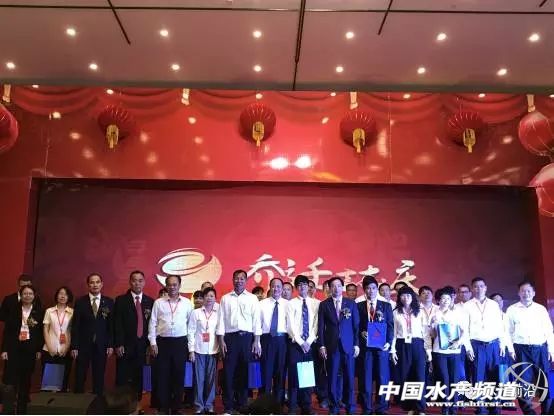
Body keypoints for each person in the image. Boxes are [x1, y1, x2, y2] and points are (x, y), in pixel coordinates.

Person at [464, 277, 512, 415]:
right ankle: (481, 408)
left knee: (495, 376)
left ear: (485, 288)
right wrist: (468, 347)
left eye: (481, 286)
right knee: (478, 377)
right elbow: (464, 329)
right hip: (476, 345)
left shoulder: (493, 305)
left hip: (493, 345)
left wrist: (502, 344)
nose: (478, 289)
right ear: (472, 289)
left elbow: (499, 326)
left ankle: (494, 407)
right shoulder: (467, 306)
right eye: (476, 286)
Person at [216, 269, 262, 414]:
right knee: (229, 372)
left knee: (244, 372)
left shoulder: (252, 298)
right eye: (236, 278)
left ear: (246, 281)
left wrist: (256, 341)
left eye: (242, 278)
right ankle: (228, 406)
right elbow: (221, 320)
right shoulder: (225, 298)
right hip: (230, 339)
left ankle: (242, 404)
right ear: (233, 280)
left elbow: (256, 320)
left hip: (247, 339)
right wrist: (221, 340)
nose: (239, 281)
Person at [505, 281, 553, 414]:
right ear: (518, 293)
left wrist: (551, 350)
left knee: (544, 382)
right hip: (521, 350)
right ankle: (529, 412)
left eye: (528, 291)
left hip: (540, 349)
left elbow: (549, 330)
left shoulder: (540, 309)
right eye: (523, 291)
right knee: (522, 383)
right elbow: (507, 332)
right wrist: (511, 349)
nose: (526, 293)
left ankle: (547, 412)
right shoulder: (512, 310)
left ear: (533, 293)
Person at [148, 275, 193, 414]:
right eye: (169, 284)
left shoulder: (187, 303)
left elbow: (191, 327)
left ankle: (176, 407)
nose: (172, 287)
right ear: (166, 286)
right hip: (163, 343)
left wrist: (191, 348)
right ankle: (163, 406)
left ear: (179, 285)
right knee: (163, 375)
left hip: (180, 343)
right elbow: (152, 323)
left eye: (175, 284)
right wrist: (153, 343)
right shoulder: (158, 303)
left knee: (179, 375)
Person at [318, 277, 360, 415]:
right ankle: (334, 407)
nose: (336, 288)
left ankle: (350, 407)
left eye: (338, 285)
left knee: (349, 377)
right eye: (333, 286)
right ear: (330, 288)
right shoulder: (324, 305)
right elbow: (320, 327)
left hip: (348, 346)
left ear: (342, 288)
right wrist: (322, 345)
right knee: (332, 378)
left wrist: (356, 344)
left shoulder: (351, 304)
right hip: (332, 346)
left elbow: (356, 326)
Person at [1, 285, 43, 414]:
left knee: (26, 381)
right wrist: (4, 350)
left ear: (34, 296)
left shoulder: (38, 311)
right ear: (21, 295)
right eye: (25, 293)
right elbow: (7, 332)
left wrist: (38, 350)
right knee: (11, 381)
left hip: (30, 350)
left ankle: (22, 410)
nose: (27, 296)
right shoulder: (14, 310)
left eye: (30, 293)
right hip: (14, 348)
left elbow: (40, 333)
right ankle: (9, 410)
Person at [114, 270, 154, 402]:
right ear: (130, 282)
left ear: (144, 282)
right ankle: (121, 405)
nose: (137, 283)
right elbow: (117, 323)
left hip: (142, 346)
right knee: (123, 376)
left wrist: (150, 345)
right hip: (125, 345)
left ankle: (137, 404)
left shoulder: (150, 301)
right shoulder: (121, 300)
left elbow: (152, 325)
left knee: (139, 376)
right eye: (134, 280)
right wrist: (119, 343)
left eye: (140, 280)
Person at [390, 286, 432, 414]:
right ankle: (409, 407)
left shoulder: (420, 311)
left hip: (417, 344)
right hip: (402, 345)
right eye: (402, 295)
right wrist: (392, 350)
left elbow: (426, 333)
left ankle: (420, 407)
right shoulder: (395, 312)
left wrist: (428, 350)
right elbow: (393, 333)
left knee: (419, 376)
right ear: (399, 298)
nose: (405, 298)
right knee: (405, 376)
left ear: (413, 297)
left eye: (408, 295)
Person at [71, 273, 114, 395]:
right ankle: (78, 401)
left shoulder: (109, 302)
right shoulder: (80, 302)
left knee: (99, 375)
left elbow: (111, 326)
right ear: (88, 285)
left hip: (101, 345)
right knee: (80, 375)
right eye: (92, 282)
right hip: (83, 345)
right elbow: (75, 326)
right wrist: (74, 346)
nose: (95, 285)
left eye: (97, 282)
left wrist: (110, 344)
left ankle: (97, 401)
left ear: (102, 284)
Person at [430, 288, 469, 415]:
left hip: (454, 351)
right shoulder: (434, 314)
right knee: (443, 378)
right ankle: (445, 406)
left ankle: (454, 407)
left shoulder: (457, 314)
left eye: (448, 298)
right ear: (438, 300)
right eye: (443, 298)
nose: (445, 301)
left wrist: (458, 342)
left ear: (451, 300)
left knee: (454, 379)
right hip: (439, 351)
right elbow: (432, 335)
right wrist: (432, 326)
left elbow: (464, 331)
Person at [357, 276, 393, 414]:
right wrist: (361, 332)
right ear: (364, 290)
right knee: (366, 379)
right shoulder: (359, 306)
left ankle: (381, 408)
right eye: (367, 288)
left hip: (381, 347)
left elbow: (390, 326)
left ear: (376, 289)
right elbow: (356, 326)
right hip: (366, 348)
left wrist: (389, 342)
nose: (370, 291)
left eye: (373, 288)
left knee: (383, 378)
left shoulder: (386, 306)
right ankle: (367, 408)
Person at [286, 275, 319, 415]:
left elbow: (316, 325)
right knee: (294, 376)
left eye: (304, 284)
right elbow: (290, 325)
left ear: (308, 286)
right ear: (296, 288)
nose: (302, 287)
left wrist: (309, 342)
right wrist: (301, 342)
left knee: (307, 377)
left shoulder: (315, 304)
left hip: (310, 344)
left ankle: (306, 406)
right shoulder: (291, 303)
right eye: (299, 285)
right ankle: (292, 407)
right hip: (295, 344)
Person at [188, 286, 219, 415]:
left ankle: (209, 404)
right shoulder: (196, 313)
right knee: (199, 379)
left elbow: (220, 331)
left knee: (211, 380)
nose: (209, 298)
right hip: (199, 350)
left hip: (213, 350)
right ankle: (199, 405)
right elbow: (191, 332)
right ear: (203, 298)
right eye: (207, 296)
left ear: (215, 298)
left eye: (212, 296)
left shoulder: (218, 313)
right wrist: (191, 350)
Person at [259, 278, 289, 406]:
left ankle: (278, 405)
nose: (276, 289)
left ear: (282, 289)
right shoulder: (262, 304)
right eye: (273, 286)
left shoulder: (288, 304)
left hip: (283, 341)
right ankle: (264, 406)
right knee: (265, 373)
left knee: (280, 374)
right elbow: (257, 324)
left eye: (278, 286)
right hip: (266, 340)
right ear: (270, 287)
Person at [42, 286, 74, 392]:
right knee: (49, 383)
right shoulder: (49, 311)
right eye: (60, 293)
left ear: (68, 297)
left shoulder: (72, 312)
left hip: (65, 349)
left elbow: (71, 331)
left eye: (65, 294)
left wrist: (67, 347)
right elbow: (45, 329)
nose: (62, 296)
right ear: (57, 296)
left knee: (62, 381)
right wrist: (50, 347)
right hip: (49, 349)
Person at [150, 288, 169, 411]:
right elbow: (152, 325)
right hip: (157, 343)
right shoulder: (156, 305)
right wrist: (153, 343)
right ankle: (157, 402)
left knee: (170, 375)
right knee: (158, 375)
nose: (163, 296)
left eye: (165, 294)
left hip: (172, 343)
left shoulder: (179, 306)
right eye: (161, 294)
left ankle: (169, 402)